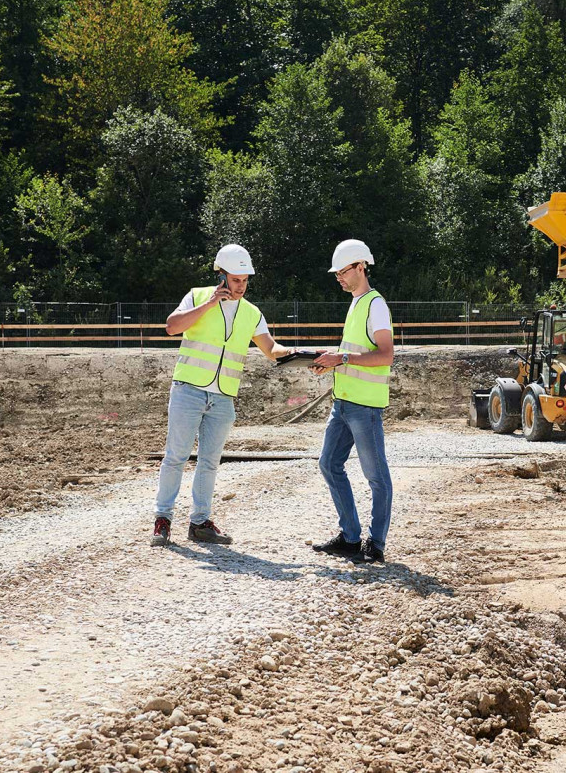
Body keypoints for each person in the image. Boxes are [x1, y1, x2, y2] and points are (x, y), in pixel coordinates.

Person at [150, 244, 296, 547]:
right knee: (175, 457)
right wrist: (210, 304)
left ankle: (200, 523)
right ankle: (162, 520)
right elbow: (171, 327)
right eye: (236, 280)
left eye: (245, 280)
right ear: (221, 276)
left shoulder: (252, 313)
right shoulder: (196, 296)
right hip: (188, 390)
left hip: (222, 398)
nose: (241, 286)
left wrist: (296, 353)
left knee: (210, 462)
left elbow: (270, 349)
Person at [310, 240, 394, 564]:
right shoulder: (356, 303)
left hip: (364, 407)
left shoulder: (375, 305)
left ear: (360, 267)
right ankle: (350, 538)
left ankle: (376, 544)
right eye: (337, 275)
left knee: (376, 476)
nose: (339, 279)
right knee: (329, 464)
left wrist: (340, 357)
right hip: (342, 404)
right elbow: (354, 355)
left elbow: (385, 354)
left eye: (342, 272)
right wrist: (330, 362)